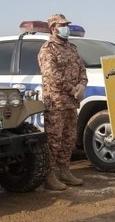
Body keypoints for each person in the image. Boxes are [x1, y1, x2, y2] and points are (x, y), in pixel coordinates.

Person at [37, 13, 88, 191]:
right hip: (56, 102)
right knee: (54, 140)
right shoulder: (47, 49)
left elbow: (82, 68)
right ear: (53, 28)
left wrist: (82, 85)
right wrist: (71, 89)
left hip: (71, 103)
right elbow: (52, 75)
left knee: (69, 139)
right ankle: (50, 176)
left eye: (66, 25)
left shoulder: (72, 48)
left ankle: (64, 171)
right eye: (62, 25)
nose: (66, 28)